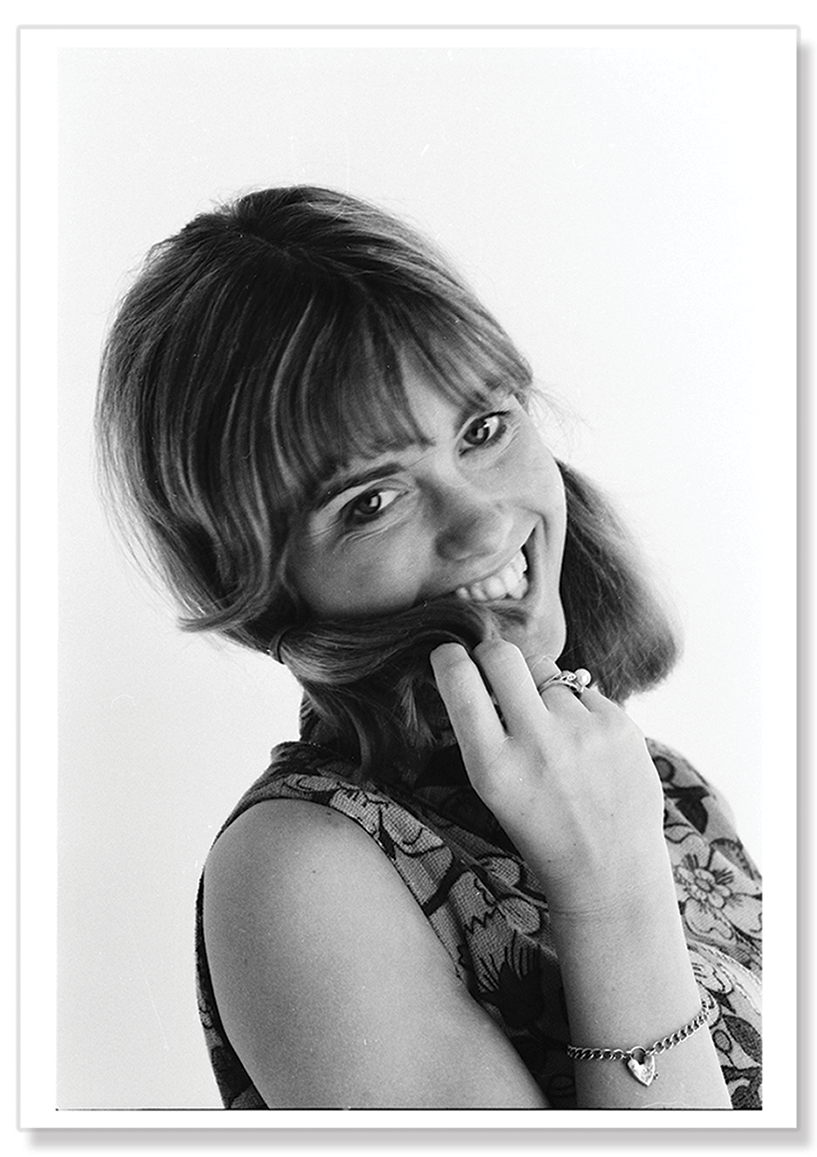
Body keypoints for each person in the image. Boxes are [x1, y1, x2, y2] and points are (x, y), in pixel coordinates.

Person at [96, 185, 761, 1110]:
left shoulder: (656, 781)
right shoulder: (300, 872)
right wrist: (610, 894)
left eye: (483, 429)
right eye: (371, 500)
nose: (482, 518)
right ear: (261, 583)